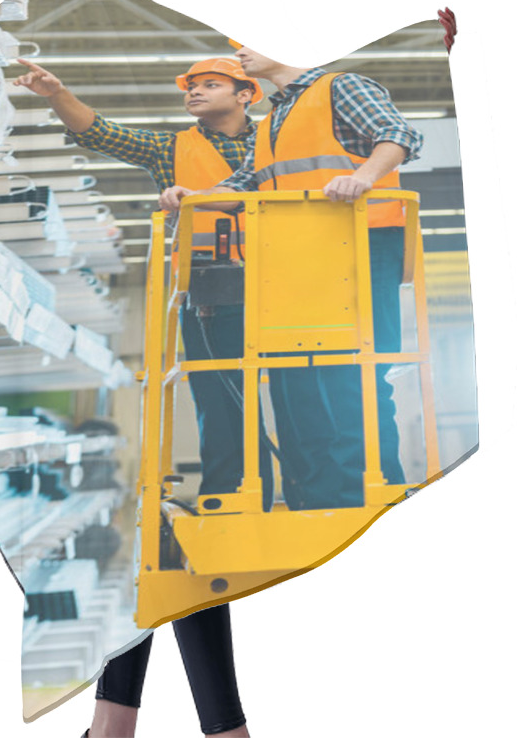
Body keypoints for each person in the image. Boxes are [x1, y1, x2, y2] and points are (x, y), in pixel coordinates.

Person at [0, 0, 254, 736]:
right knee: (134, 508)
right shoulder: (5, 26)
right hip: (56, 309)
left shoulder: (162, 33)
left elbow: (282, 103)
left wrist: (414, 67)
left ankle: (120, 727)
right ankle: (200, 728)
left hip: (163, 305)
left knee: (169, 507)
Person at [159, 42, 424, 512]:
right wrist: (194, 197)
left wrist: (363, 176)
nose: (239, 53)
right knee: (296, 379)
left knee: (354, 373)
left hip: (360, 244)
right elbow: (245, 182)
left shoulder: (338, 87)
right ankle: (317, 498)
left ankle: (368, 496)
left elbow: (399, 133)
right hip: (299, 256)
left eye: (249, 43)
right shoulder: (276, 119)